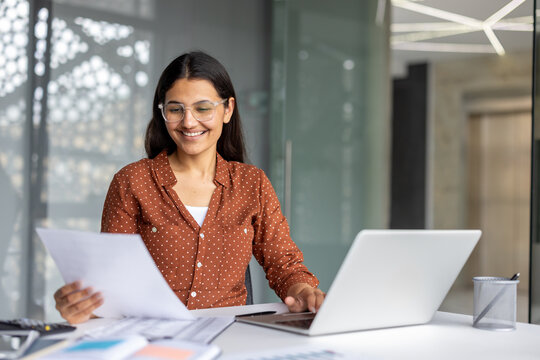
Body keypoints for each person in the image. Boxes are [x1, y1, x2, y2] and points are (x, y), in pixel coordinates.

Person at [54, 51, 325, 324]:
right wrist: (81, 305)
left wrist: (302, 290)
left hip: (231, 339)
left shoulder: (251, 184)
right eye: (175, 109)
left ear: (227, 109)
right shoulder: (132, 181)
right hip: (152, 337)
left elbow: (284, 264)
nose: (189, 122)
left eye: (203, 108)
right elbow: (110, 281)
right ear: (163, 113)